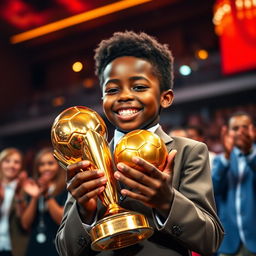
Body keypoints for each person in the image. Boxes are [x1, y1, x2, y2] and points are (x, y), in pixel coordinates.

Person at [55, 31, 224, 256]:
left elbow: (210, 240)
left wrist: (167, 201)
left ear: (166, 97)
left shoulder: (189, 151)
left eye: (139, 87)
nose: (124, 96)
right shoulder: (87, 157)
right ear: (103, 99)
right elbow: (64, 249)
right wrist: (85, 214)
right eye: (112, 90)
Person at [212, 112, 256, 256]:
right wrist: (226, 156)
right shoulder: (220, 160)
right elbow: (213, 190)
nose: (240, 132)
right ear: (227, 132)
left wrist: (249, 152)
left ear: (253, 130)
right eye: (235, 128)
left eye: (245, 127)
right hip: (229, 242)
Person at [21, 148, 67, 256]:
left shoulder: (66, 188)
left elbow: (62, 220)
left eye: (50, 163)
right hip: (35, 245)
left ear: (58, 165)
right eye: (41, 164)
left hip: (57, 245)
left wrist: (46, 195)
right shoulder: (32, 188)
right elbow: (25, 224)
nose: (46, 168)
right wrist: (35, 197)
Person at [0, 148, 29, 256]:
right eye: (7, 161)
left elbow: (24, 222)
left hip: (15, 247)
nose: (12, 165)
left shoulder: (26, 188)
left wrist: (18, 195)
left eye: (16, 162)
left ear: (21, 166)